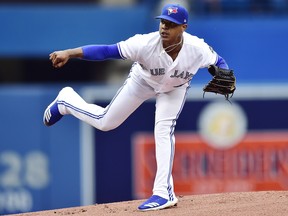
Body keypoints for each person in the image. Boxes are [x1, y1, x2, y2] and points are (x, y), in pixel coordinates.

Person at [44, 3, 230, 211]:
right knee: (106, 122)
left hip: (174, 88)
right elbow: (107, 51)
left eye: (171, 24)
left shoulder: (197, 49)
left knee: (163, 129)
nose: (164, 28)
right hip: (142, 81)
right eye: (163, 22)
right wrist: (69, 53)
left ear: (183, 27)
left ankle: (163, 192)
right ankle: (66, 101)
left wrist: (224, 74)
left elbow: (218, 62)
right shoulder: (144, 44)